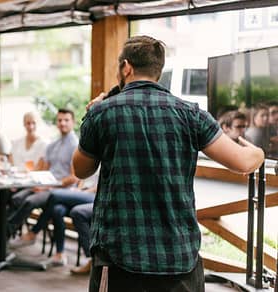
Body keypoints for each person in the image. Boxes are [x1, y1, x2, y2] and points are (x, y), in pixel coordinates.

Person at [73, 35, 264, 292]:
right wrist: (259, 152)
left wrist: (91, 114)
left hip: (119, 256)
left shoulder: (103, 112)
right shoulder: (191, 114)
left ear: (126, 67)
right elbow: (243, 162)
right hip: (178, 258)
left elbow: (81, 169)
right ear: (158, 69)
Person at [7, 108, 79, 256]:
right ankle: (4, 232)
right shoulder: (52, 145)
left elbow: (74, 177)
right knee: (16, 197)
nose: (62, 123)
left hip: (62, 190)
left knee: (30, 201)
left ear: (73, 122)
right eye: (59, 120)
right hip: (46, 186)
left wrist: (49, 186)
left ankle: (3, 234)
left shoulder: (76, 145)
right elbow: (44, 170)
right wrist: (40, 184)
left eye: (66, 120)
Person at [11, 172, 97, 268]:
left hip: (91, 195)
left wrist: (80, 192)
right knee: (57, 210)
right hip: (77, 193)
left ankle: (33, 232)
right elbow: (81, 178)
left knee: (53, 195)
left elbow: (99, 186)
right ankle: (60, 254)